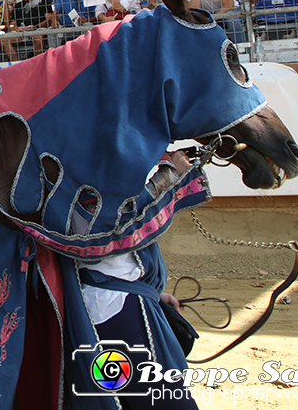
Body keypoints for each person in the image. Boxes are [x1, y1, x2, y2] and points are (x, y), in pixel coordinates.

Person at [77, 150, 200, 410]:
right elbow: (108, 226)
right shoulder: (78, 162)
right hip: (114, 310)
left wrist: (149, 292)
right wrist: (168, 177)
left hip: (124, 302)